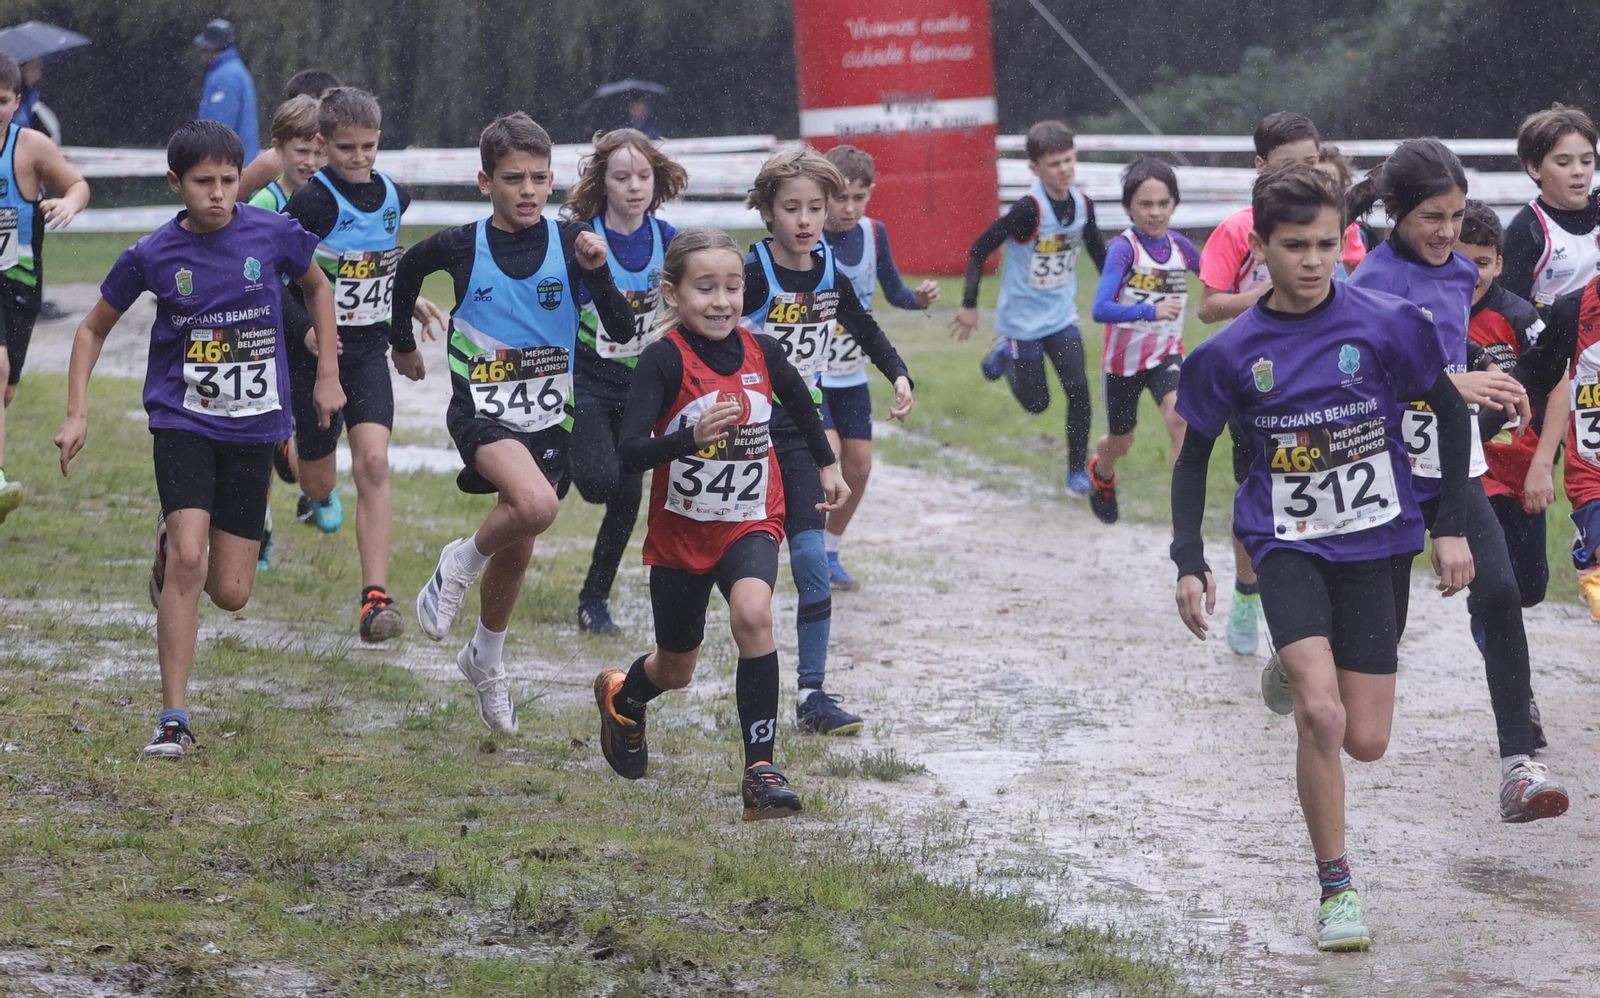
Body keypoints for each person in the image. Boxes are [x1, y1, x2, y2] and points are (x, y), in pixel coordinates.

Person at [1172, 163, 1475, 952]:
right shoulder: (1229, 353)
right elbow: (1192, 460)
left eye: (1326, 244)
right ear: (1260, 248)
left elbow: (1447, 414)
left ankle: (1299, 671)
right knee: (1323, 714)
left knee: (1367, 738)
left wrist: (1449, 523)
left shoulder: (1388, 321)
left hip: (1378, 542)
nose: (1313, 261)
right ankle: (1337, 888)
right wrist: (1187, 559)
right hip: (1286, 546)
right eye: (1292, 246)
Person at [53, 120, 343, 757]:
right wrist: (77, 413)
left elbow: (318, 288)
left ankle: (175, 543)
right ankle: (173, 717)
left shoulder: (271, 234)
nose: (218, 194)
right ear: (174, 184)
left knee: (232, 592)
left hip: (256, 427)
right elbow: (90, 330)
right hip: (182, 422)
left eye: (228, 180)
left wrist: (326, 375)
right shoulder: (153, 253)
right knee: (190, 560)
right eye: (203, 182)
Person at [1343, 138, 1569, 823]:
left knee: (1500, 593)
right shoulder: (1368, 285)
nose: (1448, 233)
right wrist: (1451, 383)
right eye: (1432, 218)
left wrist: (1491, 394)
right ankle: (1307, 654)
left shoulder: (1454, 274)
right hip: (1382, 472)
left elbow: (1448, 367)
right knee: (1382, 642)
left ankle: (1517, 770)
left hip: (1451, 463)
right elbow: (1357, 389)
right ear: (1394, 211)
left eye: (1457, 215)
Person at [593, 226, 847, 819]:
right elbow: (628, 452)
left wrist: (828, 466)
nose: (721, 301)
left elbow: (804, 405)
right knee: (676, 668)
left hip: (751, 520)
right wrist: (687, 439)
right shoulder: (663, 360)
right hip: (682, 534)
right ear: (674, 294)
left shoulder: (763, 353)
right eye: (704, 288)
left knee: (753, 614)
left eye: (732, 287)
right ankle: (624, 697)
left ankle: (761, 772)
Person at [395, 113, 636, 733]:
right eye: (512, 179)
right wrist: (402, 343)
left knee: (523, 534)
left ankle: (486, 659)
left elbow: (621, 329)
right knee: (536, 505)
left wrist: (600, 267)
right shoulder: (461, 244)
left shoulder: (573, 243)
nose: (528, 191)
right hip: (482, 409)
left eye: (538, 178)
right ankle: (458, 561)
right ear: (485, 182)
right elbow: (406, 270)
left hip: (549, 415)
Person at [740, 148, 914, 736]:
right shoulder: (754, 271)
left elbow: (863, 326)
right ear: (767, 210)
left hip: (798, 432)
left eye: (816, 207)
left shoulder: (828, 271)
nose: (806, 220)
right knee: (735, 580)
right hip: (739, 435)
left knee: (811, 560)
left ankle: (812, 693)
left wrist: (898, 372)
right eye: (792, 208)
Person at [283, 86, 445, 642]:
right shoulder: (311, 202)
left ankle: (374, 598)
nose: (358, 158)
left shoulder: (396, 194)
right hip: (314, 357)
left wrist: (408, 309)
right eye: (346, 147)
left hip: (368, 353)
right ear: (323, 145)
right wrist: (307, 335)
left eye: (369, 146)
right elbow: (275, 284)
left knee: (374, 464)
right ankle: (286, 450)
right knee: (319, 480)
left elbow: (384, 263)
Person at [1195, 111, 1323, 657]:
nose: (1305, 177)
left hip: (1324, 381)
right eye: (1291, 165)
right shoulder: (1235, 230)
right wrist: (1271, 300)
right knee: (1258, 496)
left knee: (1318, 489)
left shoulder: (1335, 227)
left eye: (1313, 164)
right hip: (1255, 385)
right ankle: (1249, 594)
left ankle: (1309, 610)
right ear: (1260, 166)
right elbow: (1207, 308)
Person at [561, 128, 687, 636]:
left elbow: (686, 307)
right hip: (587, 380)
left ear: (655, 180)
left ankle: (594, 600)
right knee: (597, 484)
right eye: (621, 177)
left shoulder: (670, 239)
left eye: (643, 175)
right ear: (603, 183)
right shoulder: (581, 238)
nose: (634, 186)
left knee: (627, 498)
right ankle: (564, 456)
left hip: (641, 388)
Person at [950, 120, 1104, 494]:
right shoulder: (1027, 210)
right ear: (1035, 168)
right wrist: (969, 306)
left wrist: (1117, 294)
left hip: (1061, 316)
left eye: (1069, 160)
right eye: (1054, 164)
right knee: (1037, 404)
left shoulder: (1082, 203)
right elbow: (979, 249)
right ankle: (1004, 357)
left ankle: (1076, 471)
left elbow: (1099, 252)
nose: (1064, 169)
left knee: (1079, 391)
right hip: (1021, 323)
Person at [1459, 199, 1563, 750]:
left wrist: (1544, 461)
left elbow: (1559, 383)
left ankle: (1497, 628)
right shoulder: (1432, 312)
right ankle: (1518, 697)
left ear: (1499, 264)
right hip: (1472, 478)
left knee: (1529, 587)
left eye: (1482, 262)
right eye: (1460, 261)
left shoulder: (1520, 315)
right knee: (1494, 589)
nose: (1470, 274)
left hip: (1523, 470)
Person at [818, 143, 938, 589]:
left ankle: (830, 550)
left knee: (861, 467)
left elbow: (892, 291)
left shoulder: (874, 233)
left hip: (851, 375)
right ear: (825, 192)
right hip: (810, 377)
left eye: (859, 197)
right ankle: (805, 546)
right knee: (826, 458)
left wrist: (917, 299)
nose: (849, 208)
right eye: (841, 197)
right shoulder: (807, 235)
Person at [0, 52, 90, 524]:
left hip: (20, 280)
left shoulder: (30, 146)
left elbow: (78, 184)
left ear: (16, 102)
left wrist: (68, 204)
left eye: (0, 101)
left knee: (7, 386)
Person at [1085, 156, 1198, 524]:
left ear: (1175, 204)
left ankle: (1183, 511)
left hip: (1166, 355)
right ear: (1128, 207)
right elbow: (1100, 309)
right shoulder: (1124, 248)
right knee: (1121, 442)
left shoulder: (1182, 248)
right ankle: (1102, 469)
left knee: (1180, 417)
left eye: (1163, 204)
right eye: (1145, 205)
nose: (1155, 213)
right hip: (1123, 364)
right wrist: (1150, 311)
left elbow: (1220, 279)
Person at [243, 94, 325, 569]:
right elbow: (259, 278)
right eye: (302, 152)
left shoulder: (333, 200)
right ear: (279, 150)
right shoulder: (265, 203)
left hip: (315, 331)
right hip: (266, 332)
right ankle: (260, 531)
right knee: (259, 434)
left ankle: (312, 487)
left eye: (319, 152)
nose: (311, 162)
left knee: (309, 432)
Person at [1500, 104, 1599, 308]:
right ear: (1534, 168)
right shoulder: (1526, 228)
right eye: (1564, 163)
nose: (1578, 171)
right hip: (1553, 339)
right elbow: (1511, 309)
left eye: (1587, 161)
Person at [239, 69, 342, 200]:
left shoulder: (344, 158)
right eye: (302, 151)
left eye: (319, 153)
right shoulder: (273, 161)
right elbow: (232, 197)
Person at [194, 19, 260, 163]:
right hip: (237, 164)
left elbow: (217, 129)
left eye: (206, 47)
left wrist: (207, 162)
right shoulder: (235, 70)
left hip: (227, 166)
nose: (204, 52)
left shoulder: (226, 76)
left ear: (213, 47)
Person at [1314, 145, 1370, 278]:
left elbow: (1361, 277)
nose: (1321, 185)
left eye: (1328, 179)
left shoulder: (1351, 230)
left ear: (1341, 186)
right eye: (1316, 178)